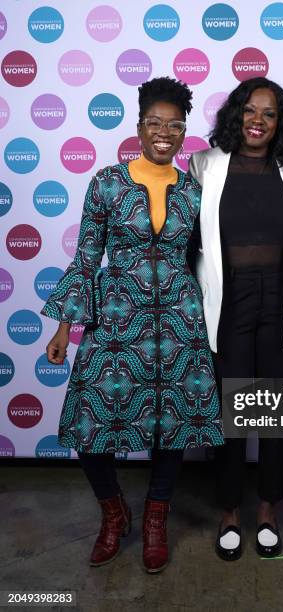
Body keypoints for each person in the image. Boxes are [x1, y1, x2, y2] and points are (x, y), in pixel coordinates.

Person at [42, 77, 223, 573]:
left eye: (175, 125)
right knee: (86, 424)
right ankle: (113, 512)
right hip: (117, 322)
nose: (165, 132)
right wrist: (64, 328)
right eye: (155, 123)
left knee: (174, 426)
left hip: (180, 325)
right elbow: (85, 258)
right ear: (139, 126)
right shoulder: (107, 181)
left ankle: (156, 520)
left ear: (184, 131)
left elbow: (207, 258)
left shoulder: (192, 189)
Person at [189, 77, 283, 560]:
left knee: (272, 410)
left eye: (270, 113)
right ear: (237, 115)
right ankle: (230, 510)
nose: (259, 121)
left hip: (280, 301)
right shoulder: (203, 164)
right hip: (228, 300)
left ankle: (268, 509)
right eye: (250, 111)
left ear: (280, 123)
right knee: (233, 411)